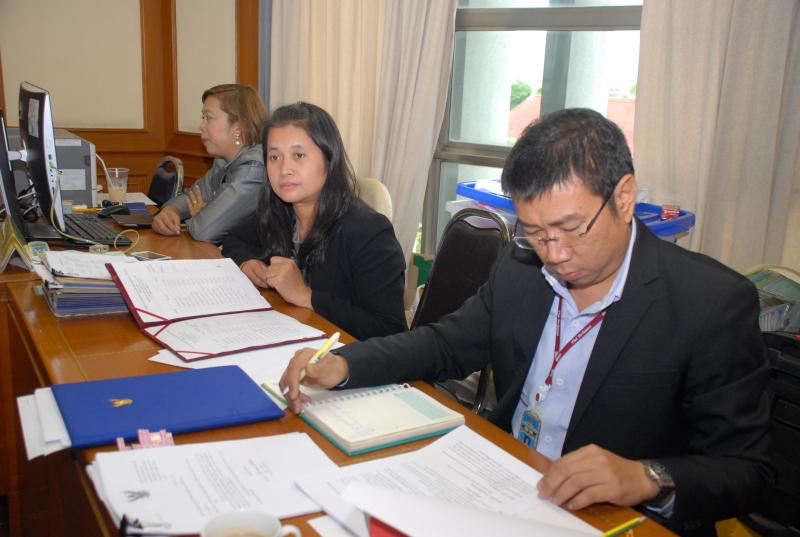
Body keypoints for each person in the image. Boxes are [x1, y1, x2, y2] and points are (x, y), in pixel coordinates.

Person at [280, 109, 773, 536]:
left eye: (571, 228)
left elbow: (749, 470)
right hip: (504, 483)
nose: (555, 254)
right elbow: (445, 344)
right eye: (535, 232)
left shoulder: (709, 302)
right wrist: (345, 364)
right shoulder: (522, 267)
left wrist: (648, 477)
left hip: (616, 519)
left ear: (624, 197)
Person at [222, 102, 406, 340]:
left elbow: (389, 330)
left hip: (341, 356)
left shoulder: (369, 231)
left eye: (298, 155)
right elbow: (234, 239)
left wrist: (306, 296)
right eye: (274, 157)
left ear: (329, 159)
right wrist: (247, 262)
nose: (284, 169)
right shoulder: (280, 212)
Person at [152, 84, 268, 243]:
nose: (201, 126)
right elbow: (193, 195)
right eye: (203, 118)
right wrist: (171, 210)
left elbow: (204, 230)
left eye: (208, 117)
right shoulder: (223, 160)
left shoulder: (253, 169)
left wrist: (203, 213)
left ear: (238, 126)